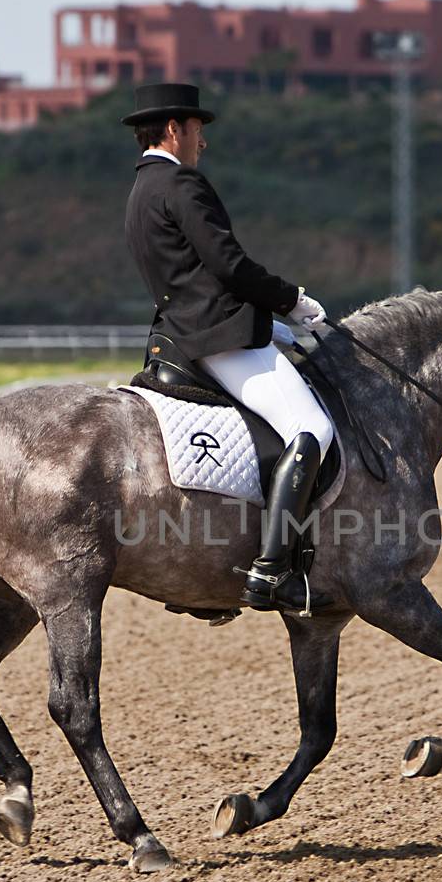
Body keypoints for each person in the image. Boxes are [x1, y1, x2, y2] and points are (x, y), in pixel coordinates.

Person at [123, 82, 336, 613]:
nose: (202, 142)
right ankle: (270, 572)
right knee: (313, 430)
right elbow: (230, 266)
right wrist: (292, 301)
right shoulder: (183, 184)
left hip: (178, 336)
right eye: (198, 130)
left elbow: (191, 277)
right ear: (175, 129)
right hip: (217, 338)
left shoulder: (140, 191)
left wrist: (270, 325)